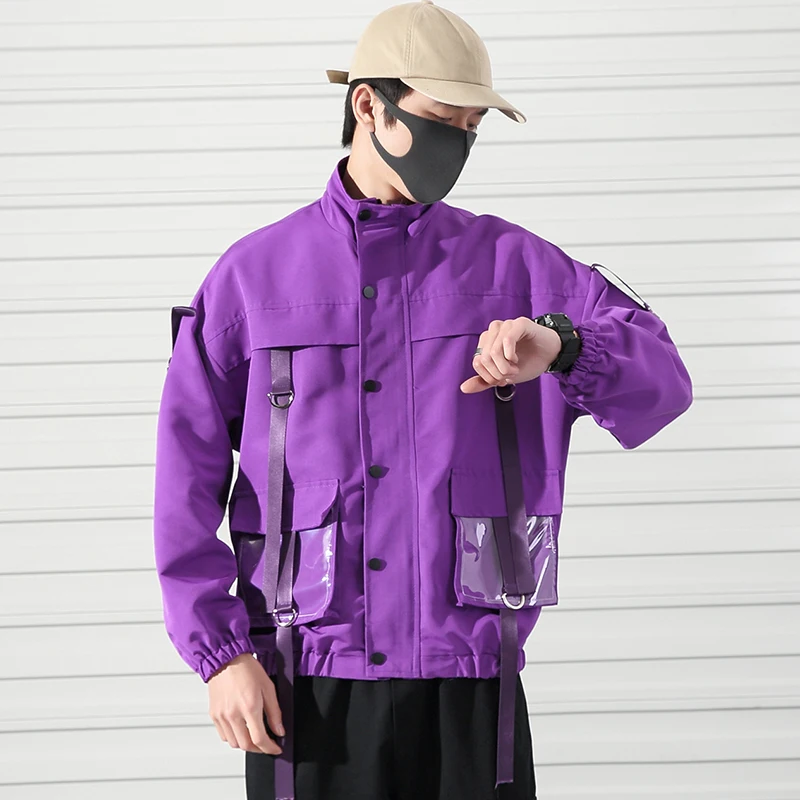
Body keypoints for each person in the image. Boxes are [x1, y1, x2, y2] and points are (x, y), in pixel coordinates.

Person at [152, 2, 694, 799]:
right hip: (306, 686)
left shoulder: (515, 268)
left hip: (471, 689)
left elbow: (664, 385)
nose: (458, 144)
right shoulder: (253, 280)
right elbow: (184, 480)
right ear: (369, 105)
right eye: (442, 119)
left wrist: (562, 345)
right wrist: (221, 654)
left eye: (472, 127)